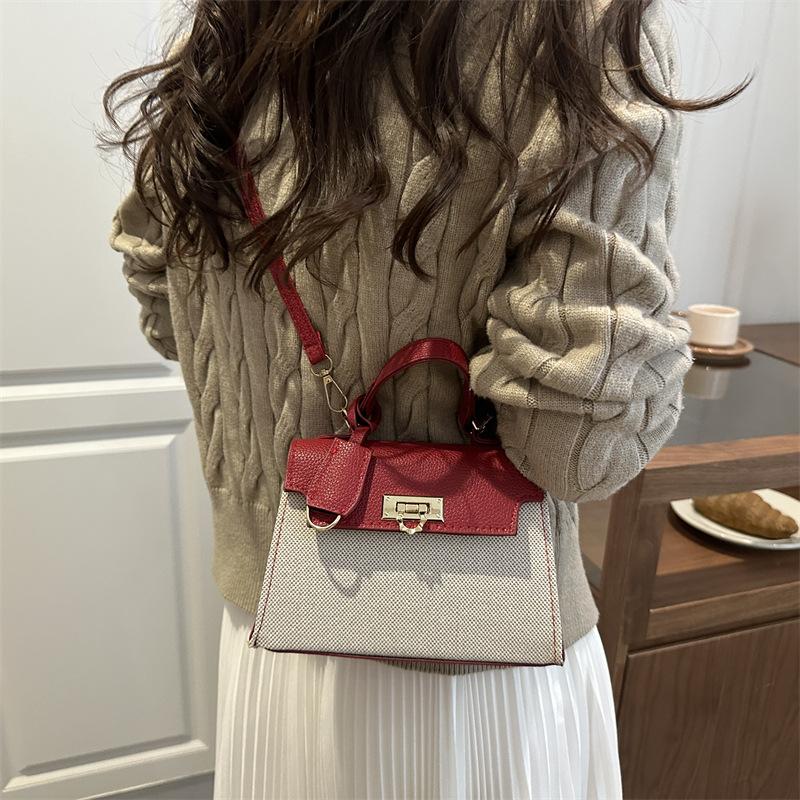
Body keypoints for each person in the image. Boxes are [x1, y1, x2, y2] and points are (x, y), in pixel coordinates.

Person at [99, 1, 745, 797]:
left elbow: (167, 314)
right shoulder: (576, 27)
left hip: (277, 635)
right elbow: (578, 450)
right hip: (481, 679)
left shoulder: (223, 33)